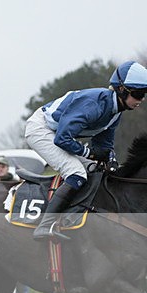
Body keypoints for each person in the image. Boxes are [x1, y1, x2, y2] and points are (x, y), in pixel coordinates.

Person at [28, 60, 147, 240]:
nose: (141, 100)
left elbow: (103, 145)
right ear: (122, 90)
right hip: (41, 129)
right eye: (138, 94)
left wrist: (110, 160)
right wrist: (89, 153)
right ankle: (45, 225)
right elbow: (63, 139)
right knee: (76, 173)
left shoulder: (115, 112)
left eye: (144, 94)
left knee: (94, 168)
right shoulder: (94, 104)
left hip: (58, 133)